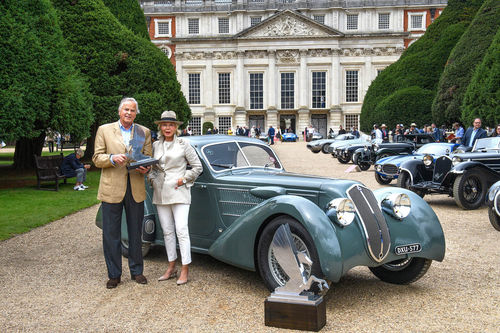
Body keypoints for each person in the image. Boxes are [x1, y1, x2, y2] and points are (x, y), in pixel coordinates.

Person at [92, 97, 152, 289]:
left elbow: (148, 158)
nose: (129, 113)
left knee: (136, 232)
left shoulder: (144, 132)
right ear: (119, 111)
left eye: (132, 110)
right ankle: (114, 274)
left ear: (136, 113)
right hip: (112, 187)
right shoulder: (104, 130)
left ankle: (137, 271)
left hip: (135, 187)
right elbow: (96, 158)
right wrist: (111, 158)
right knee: (111, 233)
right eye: (126, 109)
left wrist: (146, 168)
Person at [149, 111, 202, 285]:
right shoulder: (155, 145)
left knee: (181, 230)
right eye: (164, 125)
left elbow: (197, 167)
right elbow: (152, 167)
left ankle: (185, 268)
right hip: (161, 192)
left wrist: (183, 179)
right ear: (160, 127)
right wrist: (152, 179)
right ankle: (171, 267)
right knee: (167, 231)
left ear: (176, 127)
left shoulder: (183, 144)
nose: (167, 128)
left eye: (171, 125)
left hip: (179, 191)